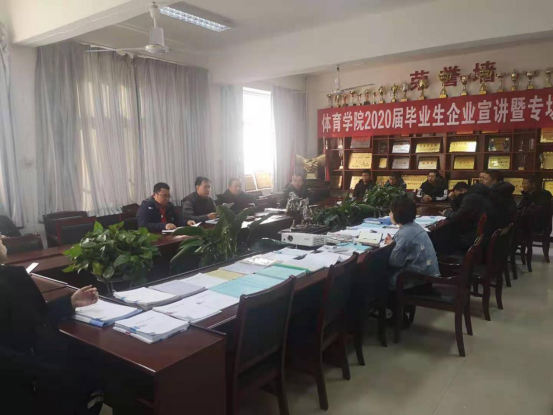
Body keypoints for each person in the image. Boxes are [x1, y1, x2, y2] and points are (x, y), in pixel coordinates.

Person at [0, 264, 103, 415]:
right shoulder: (9, 277)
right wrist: (47, 369)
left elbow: (34, 316)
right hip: (21, 382)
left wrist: (70, 302)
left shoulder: (9, 274)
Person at [384, 197, 440, 289]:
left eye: (391, 211)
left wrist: (393, 247)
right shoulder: (415, 226)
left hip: (417, 281)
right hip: (429, 277)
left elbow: (395, 262)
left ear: (397, 214)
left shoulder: (404, 233)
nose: (389, 214)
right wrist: (393, 244)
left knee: (379, 277)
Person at [441, 182, 491, 249]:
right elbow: (459, 210)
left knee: (444, 236)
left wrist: (446, 213)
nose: (457, 197)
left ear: (463, 191)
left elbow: (458, 216)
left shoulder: (470, 197)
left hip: (473, 236)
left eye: (456, 194)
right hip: (483, 234)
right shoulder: (479, 195)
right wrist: (452, 199)